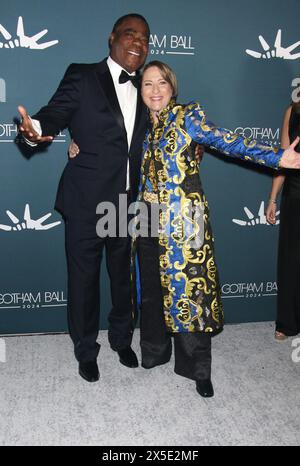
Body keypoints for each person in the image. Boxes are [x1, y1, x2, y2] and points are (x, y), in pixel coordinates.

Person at [133, 61, 300, 398]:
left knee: (192, 292)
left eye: (161, 83)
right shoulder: (140, 127)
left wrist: (277, 157)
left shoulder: (187, 116)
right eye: (148, 84)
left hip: (186, 219)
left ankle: (197, 370)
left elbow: (228, 141)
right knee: (152, 290)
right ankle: (154, 352)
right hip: (147, 216)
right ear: (140, 91)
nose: (154, 90)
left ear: (172, 87)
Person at [17, 13, 151, 382]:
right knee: (84, 279)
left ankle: (123, 339)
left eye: (144, 37)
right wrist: (34, 132)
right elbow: (52, 116)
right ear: (111, 39)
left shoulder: (147, 87)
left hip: (127, 201)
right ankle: (85, 349)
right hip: (86, 198)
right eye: (129, 34)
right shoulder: (82, 74)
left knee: (122, 277)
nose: (137, 42)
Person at [266, 102, 300, 340]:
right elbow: (283, 157)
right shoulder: (293, 110)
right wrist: (272, 198)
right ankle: (287, 323)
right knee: (291, 260)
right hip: (296, 193)